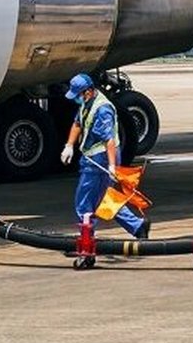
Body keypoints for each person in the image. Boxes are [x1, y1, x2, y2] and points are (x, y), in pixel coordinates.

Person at [58, 74, 147, 238]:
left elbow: (109, 140)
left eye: (77, 95)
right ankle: (137, 226)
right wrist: (69, 145)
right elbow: (78, 123)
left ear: (88, 92)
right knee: (103, 199)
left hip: (101, 159)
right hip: (93, 157)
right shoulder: (87, 103)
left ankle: (86, 239)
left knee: (84, 202)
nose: (76, 99)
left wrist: (112, 166)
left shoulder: (102, 109)